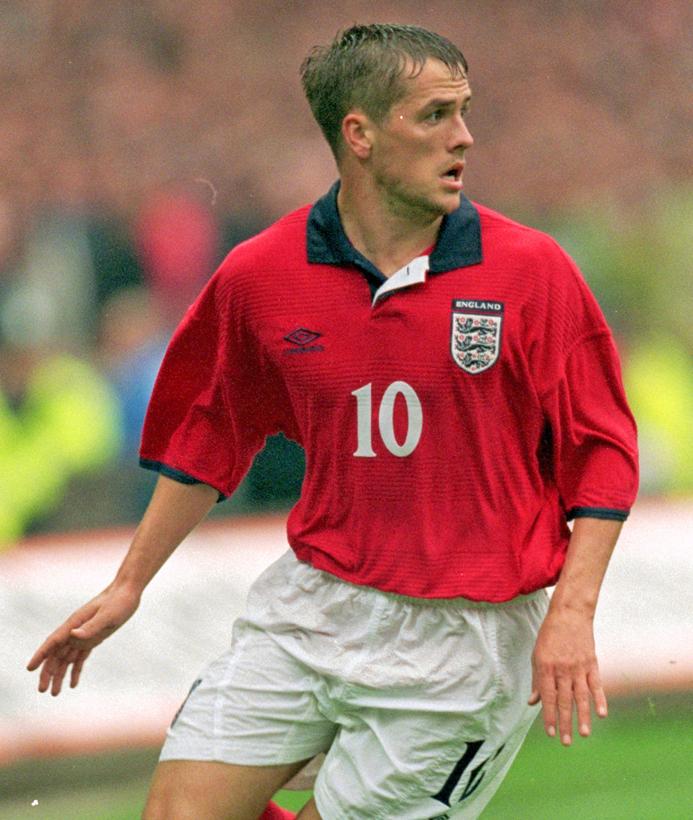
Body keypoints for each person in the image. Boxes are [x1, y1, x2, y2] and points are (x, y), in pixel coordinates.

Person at [27, 23, 638, 820]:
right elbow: (208, 437)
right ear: (359, 135)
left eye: (463, 111)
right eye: (434, 115)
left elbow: (603, 451)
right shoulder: (260, 274)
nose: (463, 136)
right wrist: (128, 585)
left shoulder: (530, 270)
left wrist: (571, 613)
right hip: (315, 605)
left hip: (469, 639)